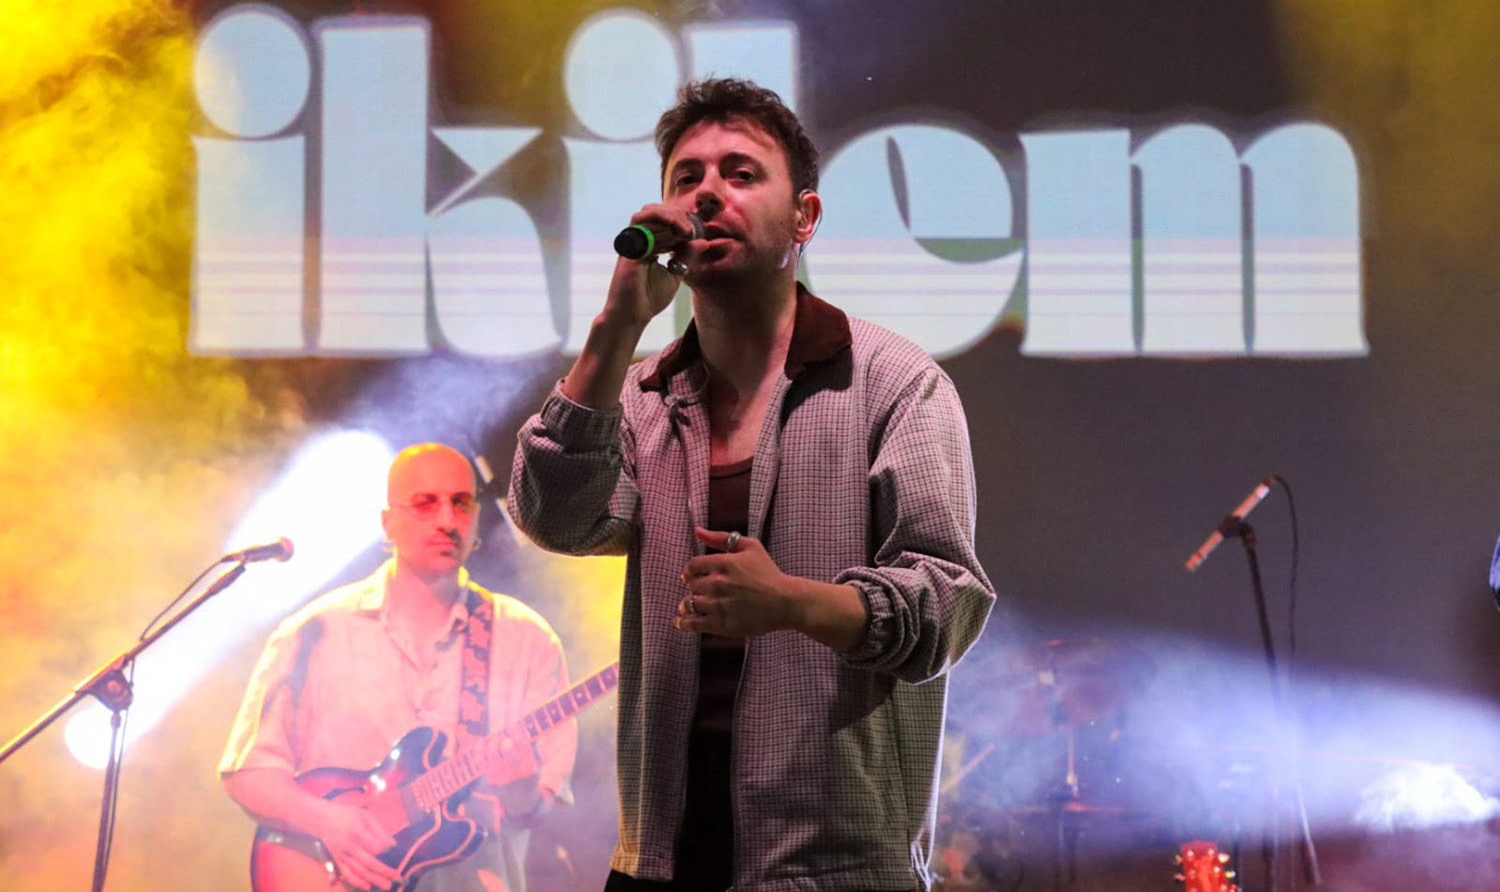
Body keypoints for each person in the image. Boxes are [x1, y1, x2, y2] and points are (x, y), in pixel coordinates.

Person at [508, 77, 995, 891]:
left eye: (740, 173)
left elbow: (947, 606)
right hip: (659, 863)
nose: (707, 195)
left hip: (832, 871)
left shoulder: (893, 383)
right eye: (687, 178)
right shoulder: (641, 395)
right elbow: (553, 518)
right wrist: (617, 327)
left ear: (803, 217)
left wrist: (792, 603)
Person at [220, 442, 576, 892]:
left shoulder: (528, 640)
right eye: (425, 503)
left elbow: (547, 811)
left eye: (461, 503)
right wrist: (329, 823)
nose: (446, 520)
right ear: (387, 523)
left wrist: (521, 792)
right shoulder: (315, 630)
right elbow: (248, 772)